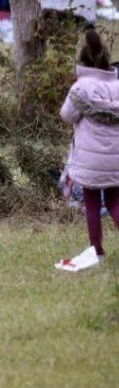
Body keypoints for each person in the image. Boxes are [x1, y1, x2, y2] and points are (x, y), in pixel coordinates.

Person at [59, 29, 119, 264]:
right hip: (116, 158)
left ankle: (97, 251)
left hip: (91, 160)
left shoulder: (81, 88)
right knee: (115, 202)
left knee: (92, 203)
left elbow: (66, 115)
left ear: (83, 60)